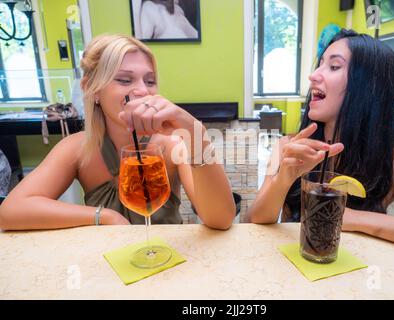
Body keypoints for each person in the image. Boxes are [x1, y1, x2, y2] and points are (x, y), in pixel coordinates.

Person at [246, 29, 394, 257]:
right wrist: (282, 179)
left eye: (334, 67)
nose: (313, 76)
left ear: (367, 88)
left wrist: (360, 220)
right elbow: (253, 222)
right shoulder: (288, 146)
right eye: (320, 64)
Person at [0, 34, 235, 230]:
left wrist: (197, 134)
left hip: (167, 265)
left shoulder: (172, 144)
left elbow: (221, 219)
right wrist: (103, 216)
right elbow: (10, 211)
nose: (142, 90)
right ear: (92, 90)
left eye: (150, 81)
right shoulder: (77, 148)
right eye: (124, 80)